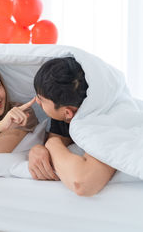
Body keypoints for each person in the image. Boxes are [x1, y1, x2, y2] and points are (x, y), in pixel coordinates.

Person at [28, 57, 116, 196]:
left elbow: (83, 183)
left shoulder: (105, 121)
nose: (36, 101)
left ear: (68, 112)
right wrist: (38, 149)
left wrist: (51, 143)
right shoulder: (63, 114)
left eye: (41, 99)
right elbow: (59, 141)